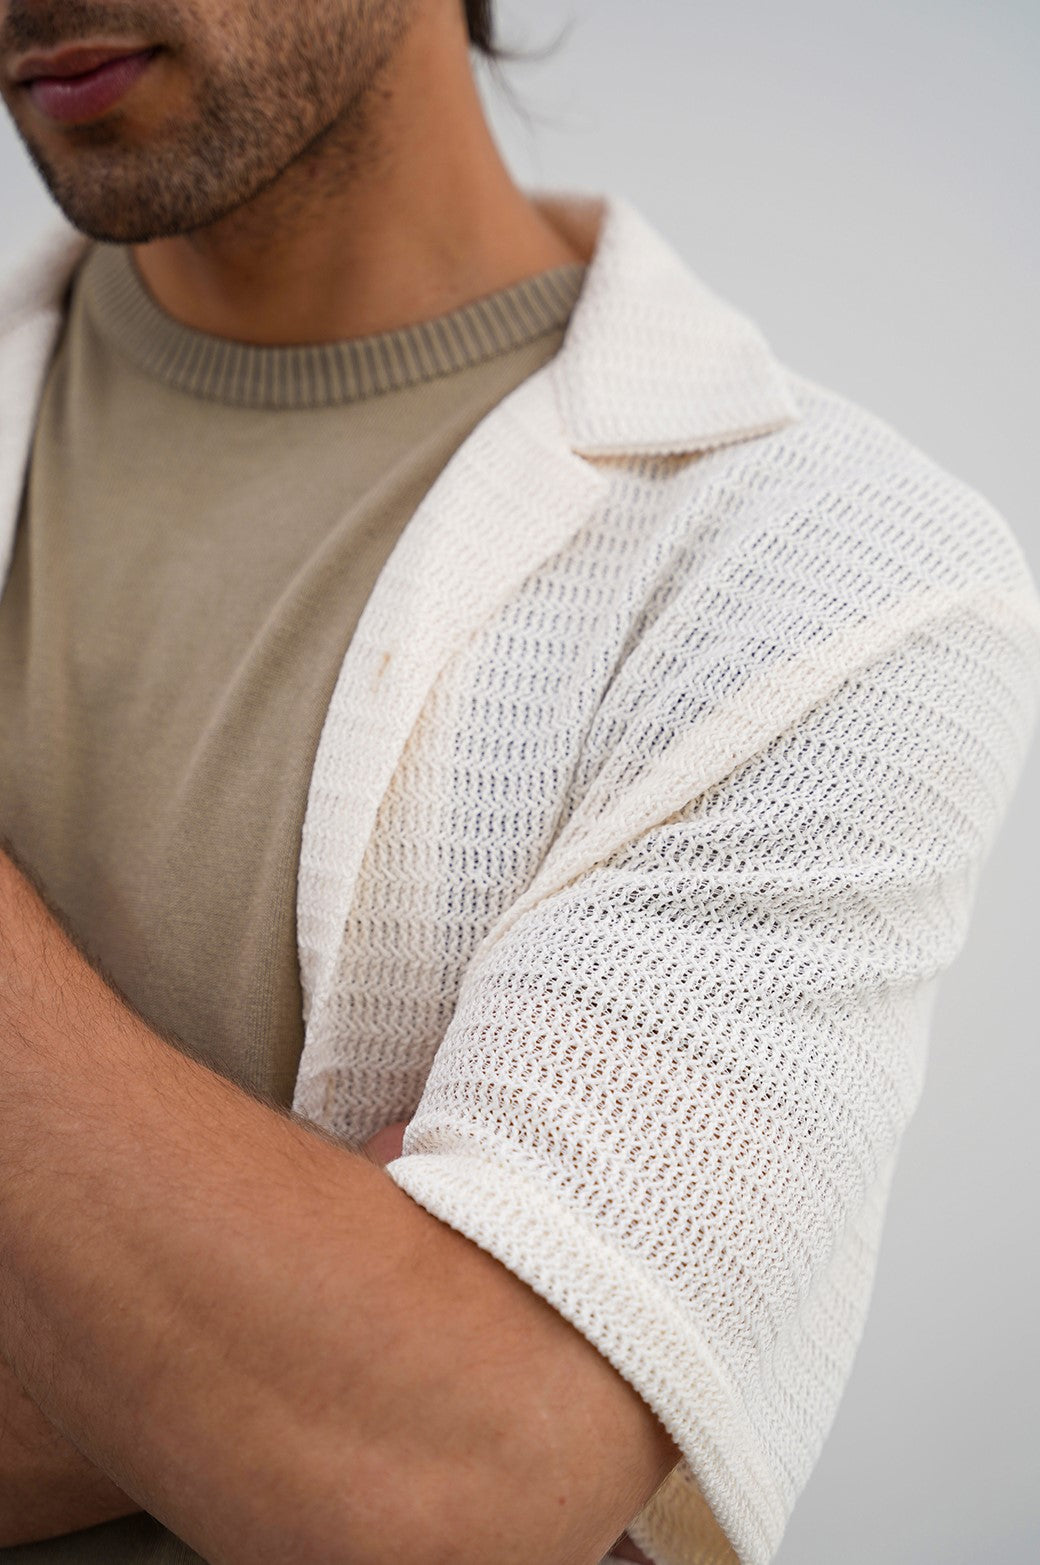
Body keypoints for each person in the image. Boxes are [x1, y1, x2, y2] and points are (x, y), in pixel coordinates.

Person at [0, 2, 1036, 1563]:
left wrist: (382, 1389)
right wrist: (290, 1330)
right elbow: (380, 1413)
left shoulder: (830, 573)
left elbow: (449, 1484)